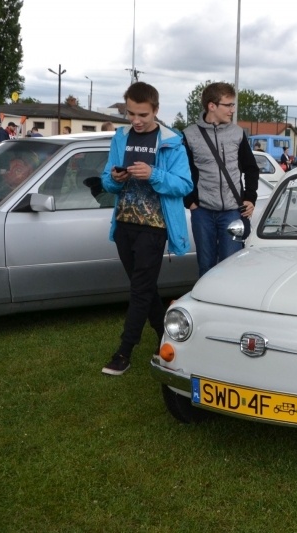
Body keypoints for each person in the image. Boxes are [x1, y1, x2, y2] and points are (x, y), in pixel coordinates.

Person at [99, 81, 192, 376]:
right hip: (125, 223)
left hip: (155, 225)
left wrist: (154, 174)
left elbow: (184, 185)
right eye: (131, 114)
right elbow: (106, 181)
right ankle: (165, 333)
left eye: (142, 115)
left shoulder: (172, 141)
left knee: (139, 288)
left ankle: (124, 351)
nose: (136, 121)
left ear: (156, 110)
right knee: (145, 287)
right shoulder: (120, 137)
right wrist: (116, 177)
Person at [182, 81, 260, 278]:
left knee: (231, 266)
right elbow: (184, 172)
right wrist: (190, 201)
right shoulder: (189, 135)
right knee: (206, 266)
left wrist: (250, 197)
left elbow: (251, 168)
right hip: (203, 212)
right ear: (212, 106)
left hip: (232, 212)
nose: (232, 110)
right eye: (229, 105)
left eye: (233, 105)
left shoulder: (237, 133)